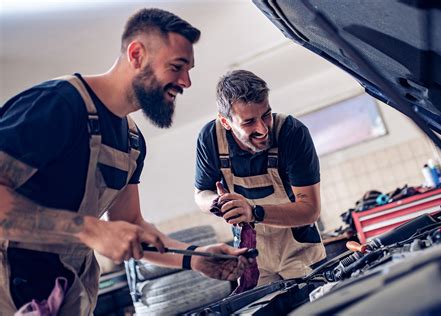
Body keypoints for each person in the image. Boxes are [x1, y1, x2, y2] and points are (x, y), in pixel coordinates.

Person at [0, 8, 249, 315]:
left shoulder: (132, 142)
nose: (186, 82)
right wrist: (90, 230)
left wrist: (194, 257)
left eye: (189, 70)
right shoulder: (59, 105)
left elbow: (130, 224)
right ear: (136, 54)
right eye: (176, 67)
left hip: (66, 294)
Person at [194, 70, 326, 288]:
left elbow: (310, 209)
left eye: (266, 115)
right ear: (225, 122)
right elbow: (201, 194)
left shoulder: (291, 133)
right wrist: (218, 204)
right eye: (248, 122)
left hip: (301, 254)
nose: (263, 129)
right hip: (252, 259)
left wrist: (253, 212)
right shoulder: (211, 139)